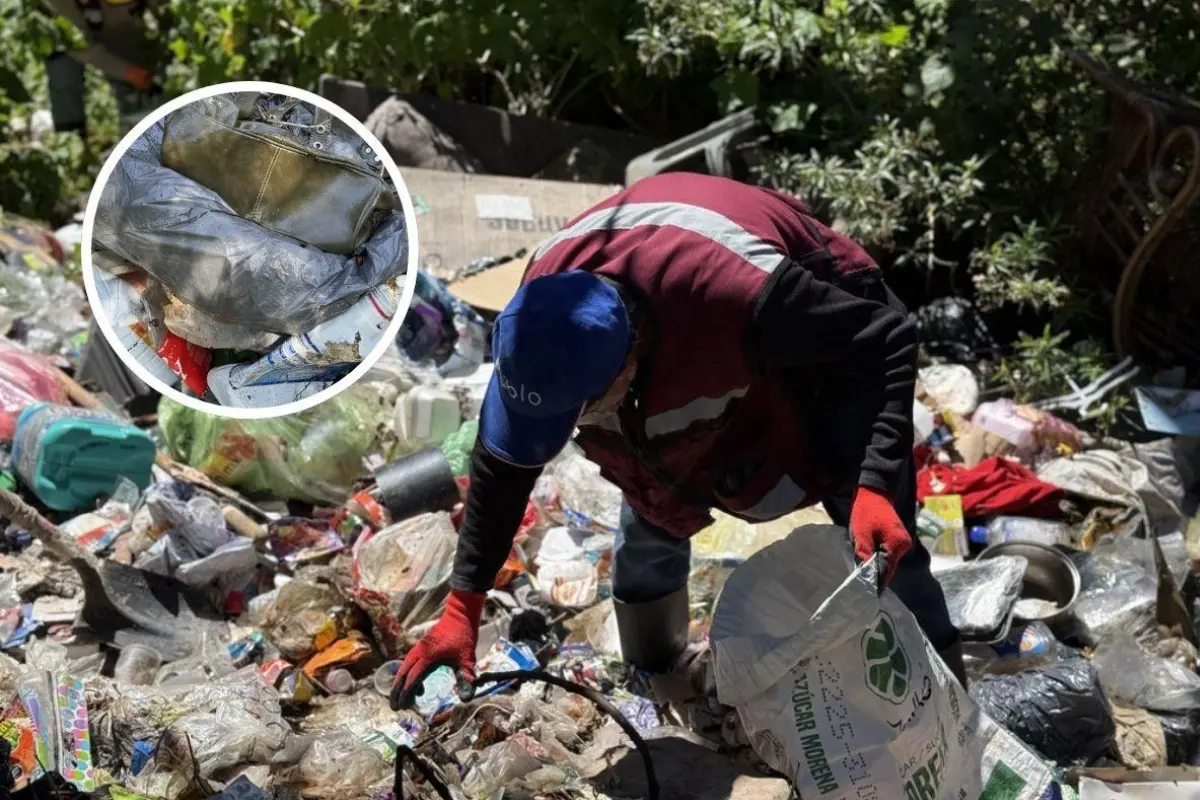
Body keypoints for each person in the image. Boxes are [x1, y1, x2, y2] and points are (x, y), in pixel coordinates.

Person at [391, 172, 967, 709]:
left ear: (629, 362)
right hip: (689, 331)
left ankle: (948, 707)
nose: (579, 424)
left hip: (827, 344)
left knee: (886, 550)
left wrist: (873, 484)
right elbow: (502, 469)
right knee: (649, 500)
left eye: (586, 408)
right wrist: (462, 607)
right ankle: (655, 677)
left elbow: (885, 338)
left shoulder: (740, 296)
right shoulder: (542, 321)